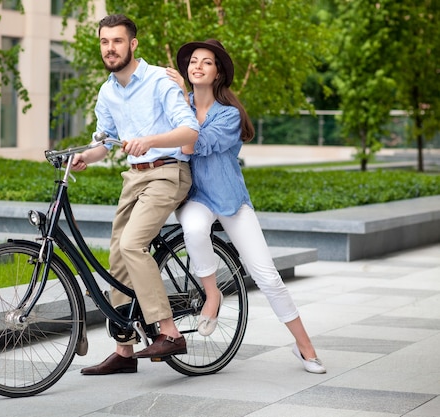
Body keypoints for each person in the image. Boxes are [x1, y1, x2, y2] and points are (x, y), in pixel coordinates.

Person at [167, 39, 326, 374]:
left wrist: (180, 101)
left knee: (268, 277)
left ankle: (305, 347)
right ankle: (212, 295)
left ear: (218, 72)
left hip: (230, 199)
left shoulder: (229, 116)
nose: (196, 66)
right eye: (193, 61)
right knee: (194, 228)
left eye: (205, 62)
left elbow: (195, 145)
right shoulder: (177, 105)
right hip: (195, 198)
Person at [71, 15, 200, 375]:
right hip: (134, 178)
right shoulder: (107, 91)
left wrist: (150, 141)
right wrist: (85, 155)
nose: (109, 48)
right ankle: (124, 352)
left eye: (116, 41)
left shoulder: (159, 80)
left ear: (133, 44)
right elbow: (104, 142)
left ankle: (170, 332)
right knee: (117, 259)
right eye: (103, 42)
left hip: (168, 173)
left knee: (132, 246)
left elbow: (189, 131)